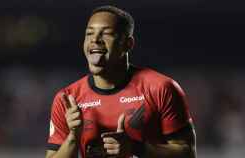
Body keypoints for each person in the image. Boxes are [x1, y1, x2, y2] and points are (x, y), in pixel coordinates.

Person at [46, 5, 196, 158]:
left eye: (106, 34)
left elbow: (188, 153)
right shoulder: (67, 99)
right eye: (89, 34)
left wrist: (136, 148)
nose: (95, 39)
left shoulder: (161, 88)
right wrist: (72, 137)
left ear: (128, 44)